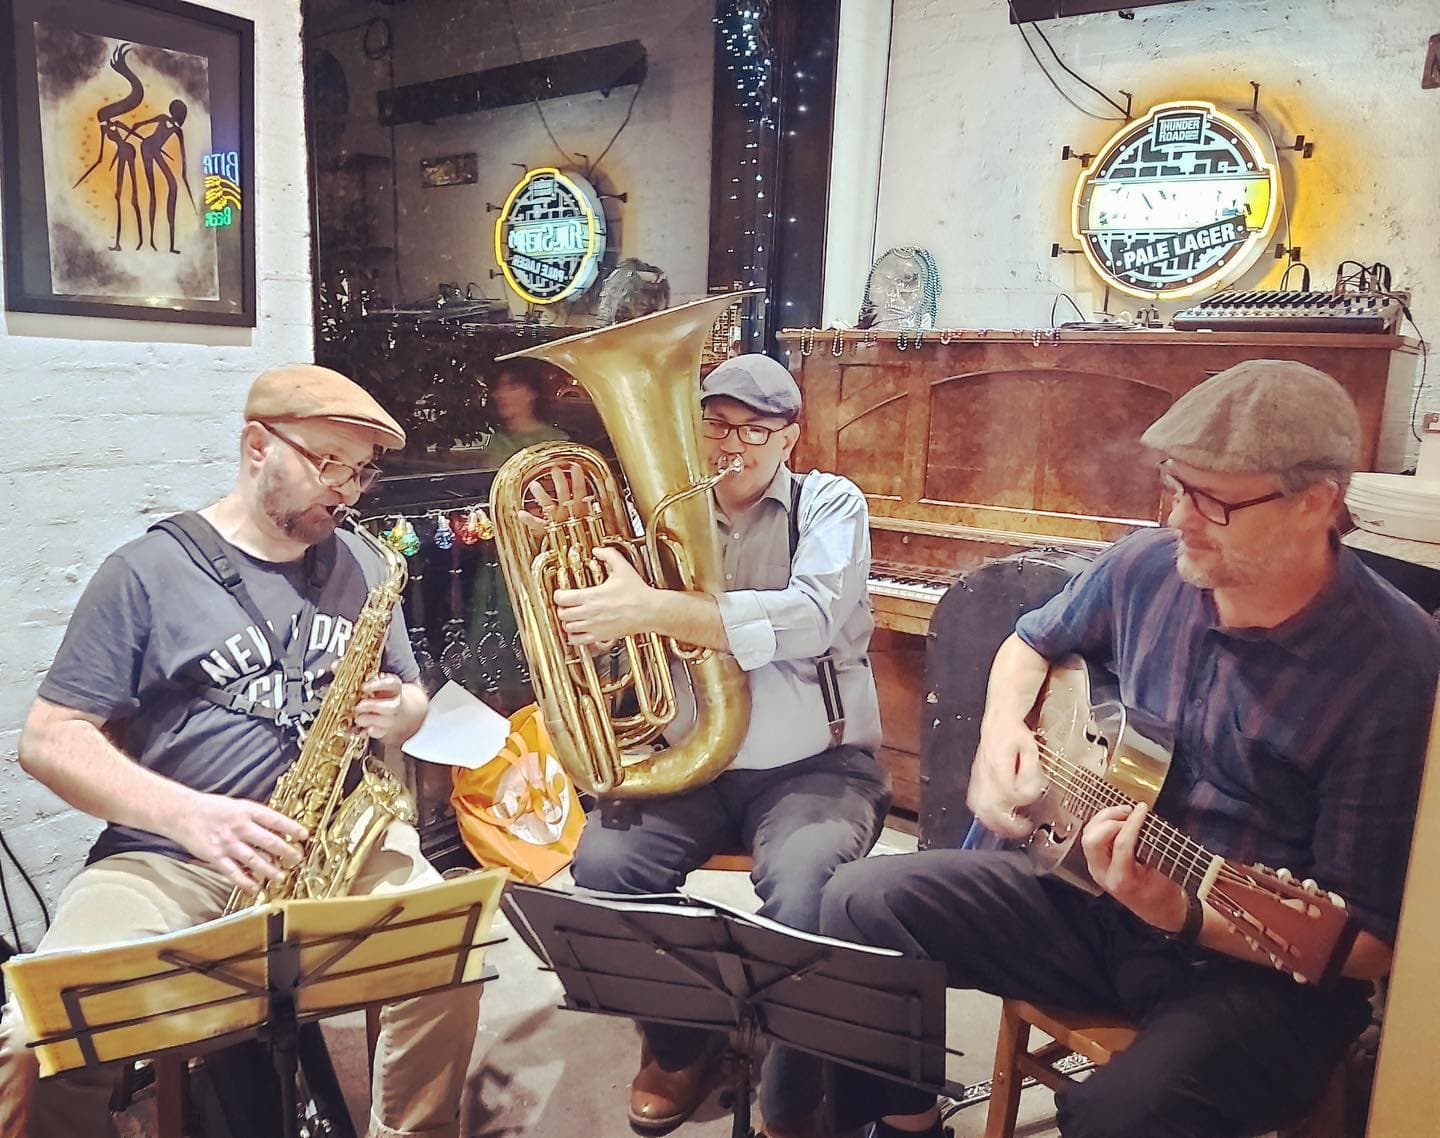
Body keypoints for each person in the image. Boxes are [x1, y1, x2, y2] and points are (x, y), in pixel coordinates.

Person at [817, 359, 1440, 1138]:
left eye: (1212, 501)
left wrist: (1180, 911)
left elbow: (1369, 943)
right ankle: (908, 1130)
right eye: (1175, 486)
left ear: (1317, 502)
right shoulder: (1146, 568)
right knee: (856, 903)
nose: (1179, 518)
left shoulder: (1394, 666)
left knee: (1118, 1116)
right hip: (1090, 897)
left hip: (1252, 969)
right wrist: (1002, 734)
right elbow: (1027, 642)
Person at [0, 364, 480, 1138]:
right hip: (170, 859)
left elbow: (412, 694)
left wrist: (403, 713)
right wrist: (191, 817)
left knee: (448, 951)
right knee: (37, 1037)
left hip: (335, 846)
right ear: (258, 446)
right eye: (328, 463)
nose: (346, 492)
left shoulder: (363, 565)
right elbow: (48, 740)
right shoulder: (146, 573)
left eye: (359, 473)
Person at [553, 354, 891, 1138]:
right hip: (687, 764)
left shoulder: (828, 503)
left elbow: (812, 617)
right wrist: (589, 617)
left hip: (815, 766)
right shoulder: (652, 517)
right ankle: (680, 1046)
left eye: (755, 428)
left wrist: (659, 609)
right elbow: (611, 636)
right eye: (714, 422)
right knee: (603, 869)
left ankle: (791, 1088)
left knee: (808, 892)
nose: (731, 442)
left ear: (790, 438)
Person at [479, 361, 568, 469]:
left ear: (533, 392)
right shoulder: (495, 440)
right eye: (498, 388)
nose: (501, 394)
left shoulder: (556, 442)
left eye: (512, 387)